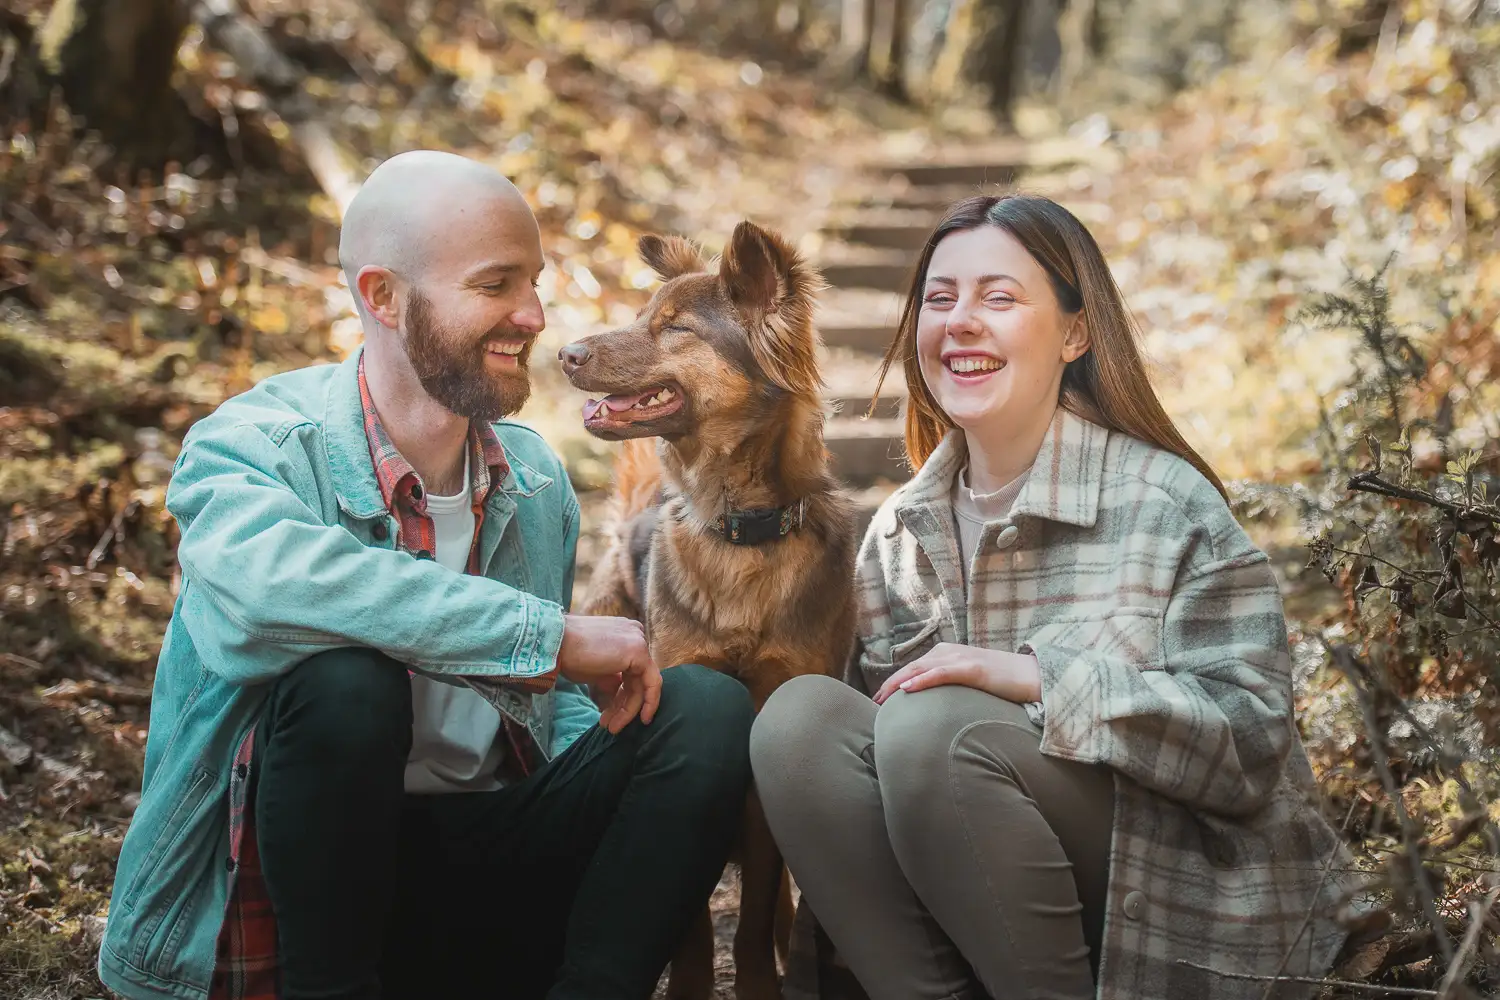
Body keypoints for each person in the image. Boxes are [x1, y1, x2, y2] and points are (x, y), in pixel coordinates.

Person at [98, 149, 756, 1000]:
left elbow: (544, 705)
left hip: (481, 862)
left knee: (703, 708)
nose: (533, 315)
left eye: (535, 283)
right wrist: (545, 637)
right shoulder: (252, 444)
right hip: (290, 899)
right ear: (382, 296)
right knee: (345, 681)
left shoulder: (533, 477)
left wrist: (601, 784)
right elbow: (264, 599)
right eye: (496, 285)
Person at [750, 194, 1357, 1000]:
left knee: (937, 728)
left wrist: (1040, 680)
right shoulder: (897, 534)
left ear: (1075, 333)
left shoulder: (1164, 503)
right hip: (969, 916)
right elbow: (860, 808)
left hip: (1173, 906)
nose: (961, 321)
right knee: (799, 723)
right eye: (940, 299)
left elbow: (1250, 747)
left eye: (999, 298)